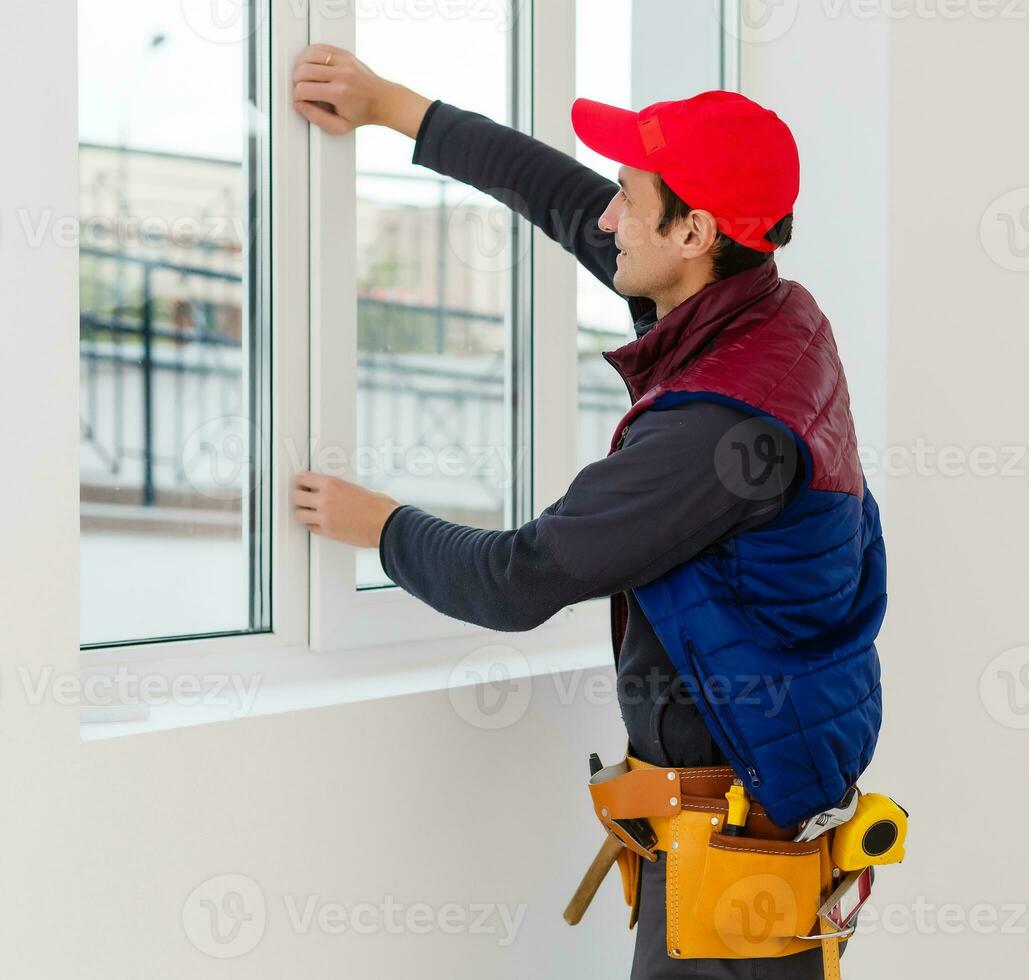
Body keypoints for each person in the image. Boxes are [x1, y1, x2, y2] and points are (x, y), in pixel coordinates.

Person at [289, 43, 887, 980]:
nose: (606, 217)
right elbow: (566, 201)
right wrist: (395, 107)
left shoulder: (719, 431)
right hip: (749, 814)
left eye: (629, 199)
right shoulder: (765, 311)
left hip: (741, 848)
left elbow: (521, 579)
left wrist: (379, 526)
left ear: (695, 233)